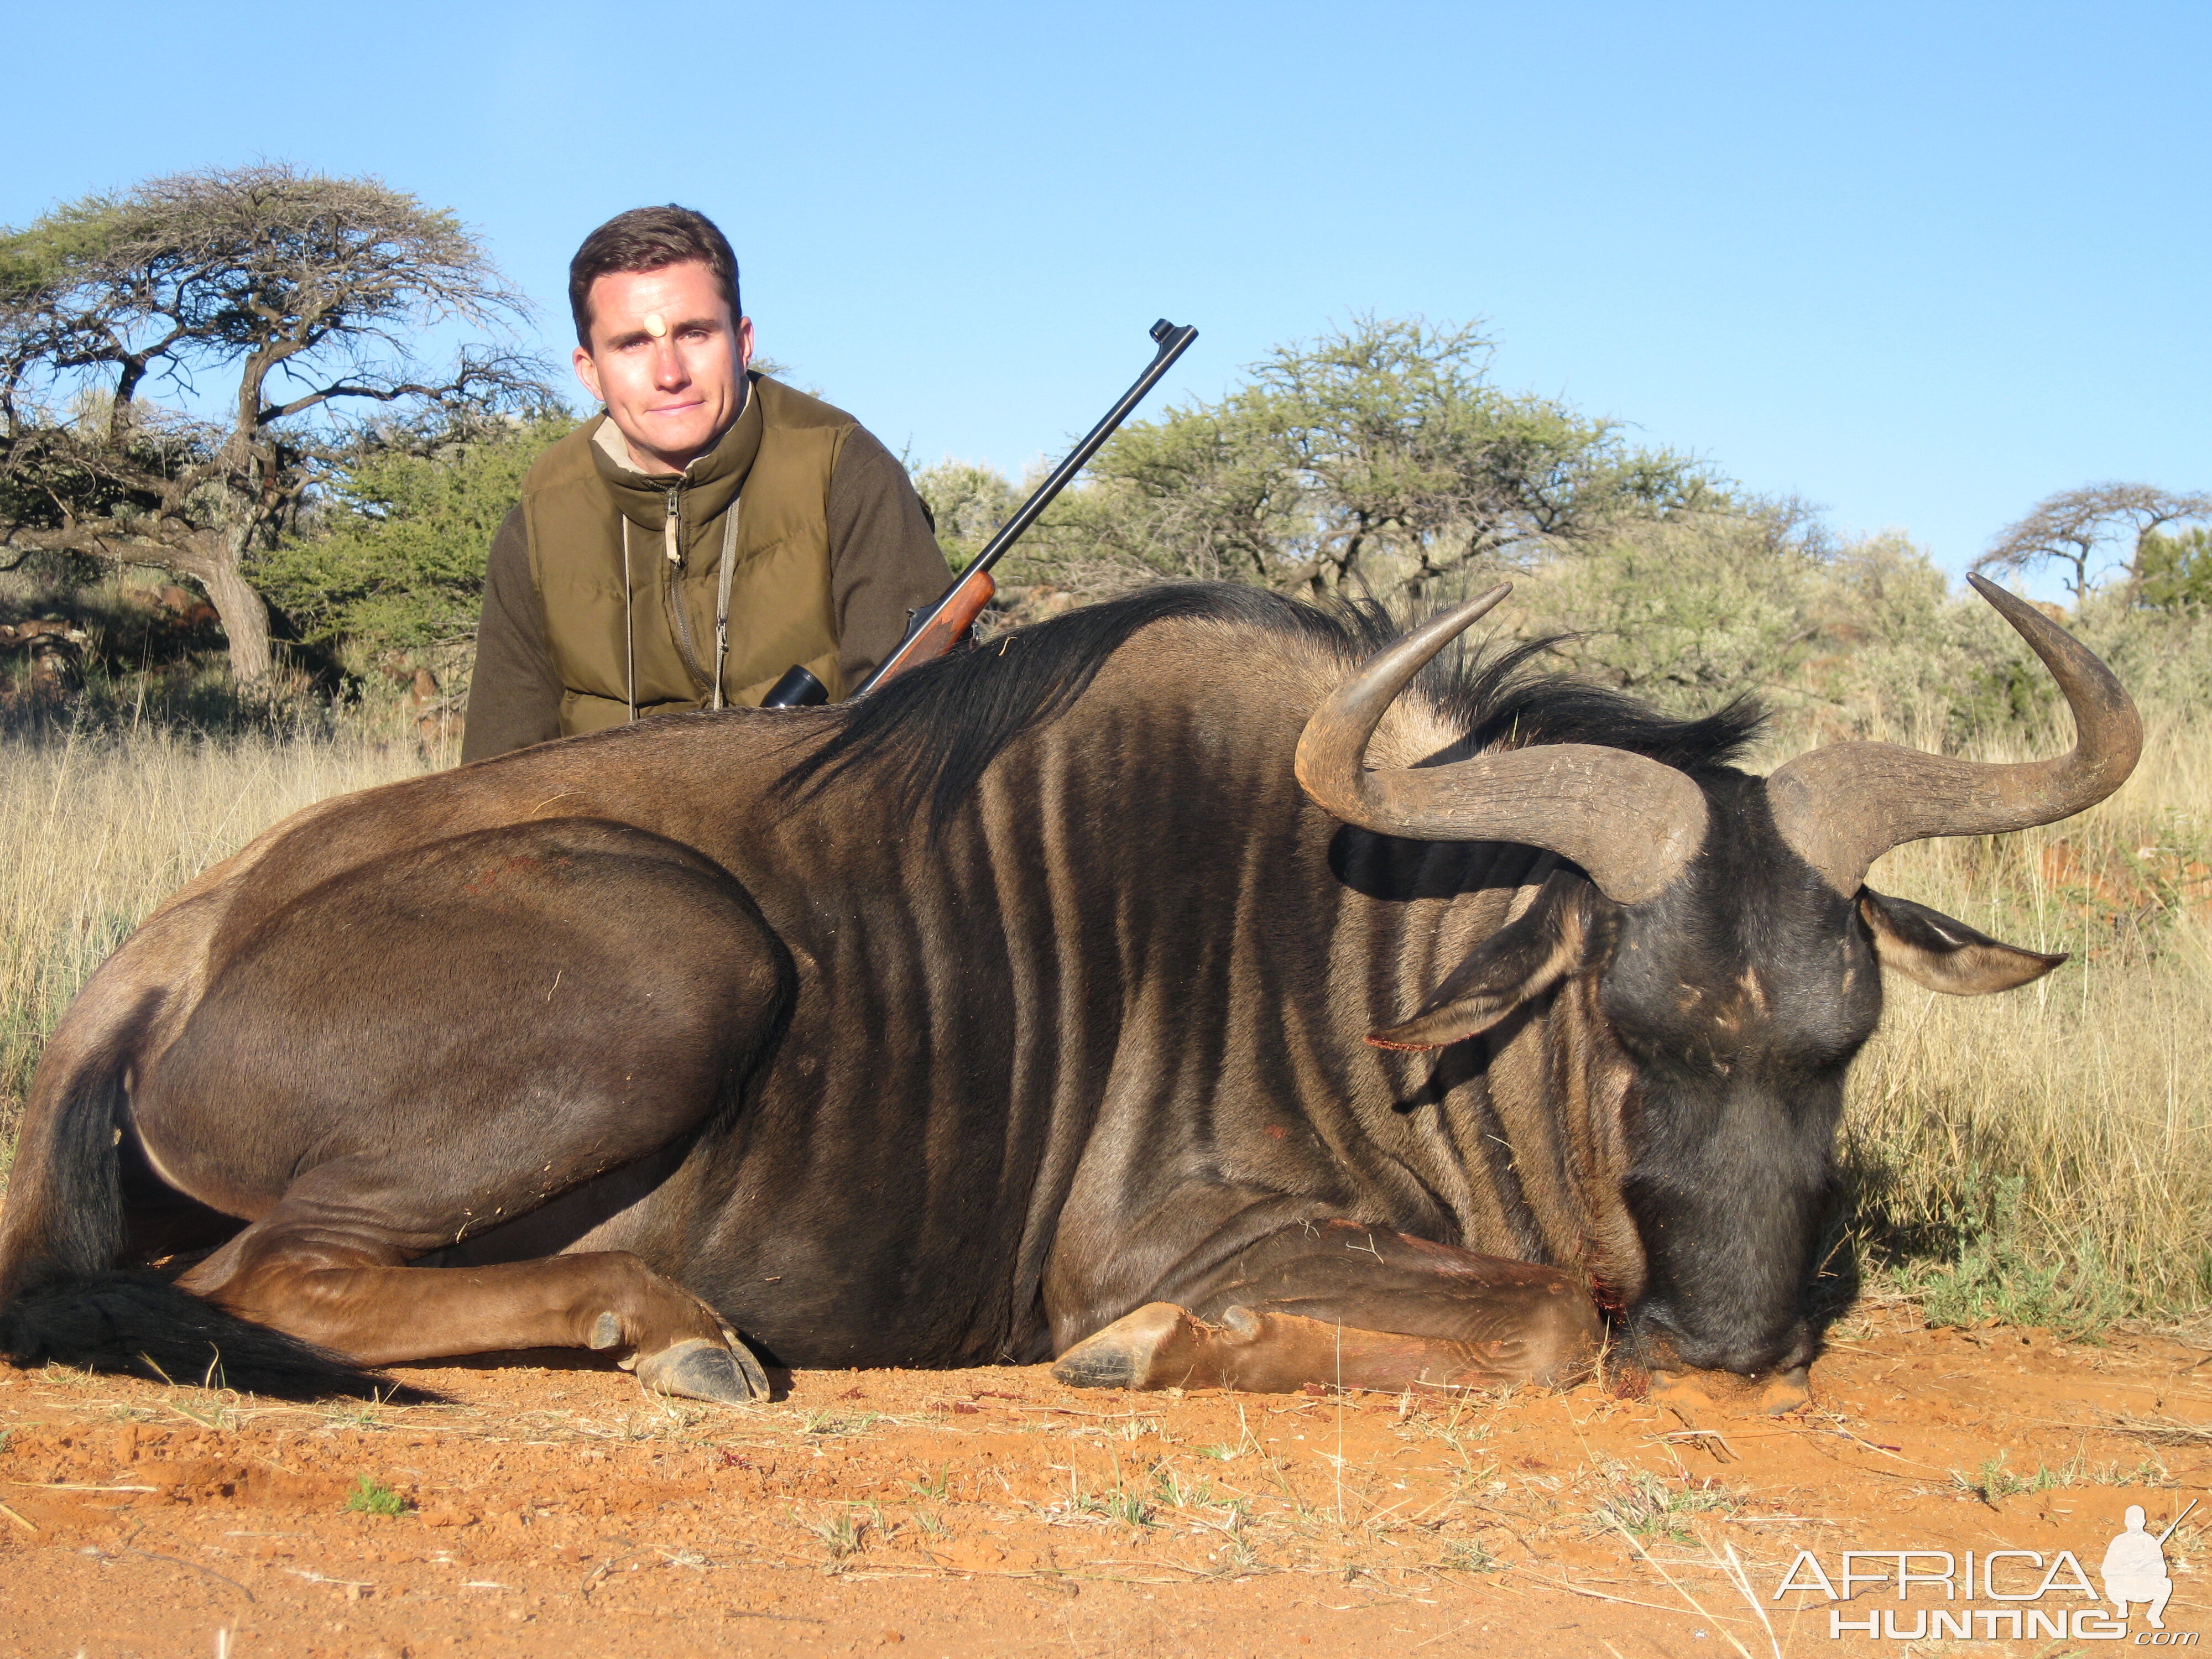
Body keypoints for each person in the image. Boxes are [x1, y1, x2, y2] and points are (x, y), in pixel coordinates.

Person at [461, 206, 951, 760]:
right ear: (589, 371)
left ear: (742, 343)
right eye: (632, 344)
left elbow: (921, 749)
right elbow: (494, 777)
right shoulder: (539, 521)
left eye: (694, 333)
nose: (670, 374)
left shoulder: (845, 470)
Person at [2101, 1504, 2172, 1629]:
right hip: (2122, 1587)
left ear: (2143, 1522)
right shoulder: (2119, 1541)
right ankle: (2122, 1606)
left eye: (2137, 1521)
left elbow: (2162, 1571)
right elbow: (2107, 1570)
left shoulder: (2150, 1542)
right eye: (2131, 1521)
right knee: (2110, 1582)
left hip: (2143, 1587)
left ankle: (2154, 1615)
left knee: (2166, 1584)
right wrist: (2125, 1571)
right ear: (2126, 1522)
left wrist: (2145, 1571)